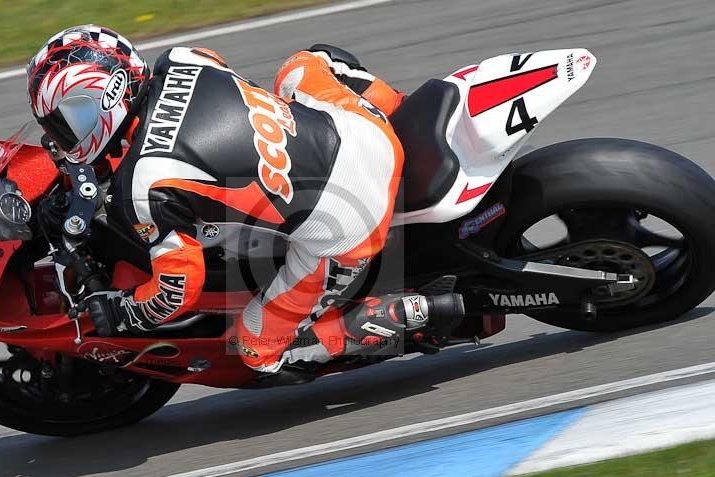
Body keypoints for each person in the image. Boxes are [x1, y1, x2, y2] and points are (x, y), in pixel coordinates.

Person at [27, 25, 463, 376]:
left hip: (353, 218)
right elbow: (216, 78)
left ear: (109, 95)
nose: (60, 137)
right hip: (363, 130)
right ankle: (402, 110)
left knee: (256, 347)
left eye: (67, 120)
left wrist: (122, 312)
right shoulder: (181, 58)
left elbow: (177, 290)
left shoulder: (143, 188)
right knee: (303, 63)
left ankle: (409, 314)